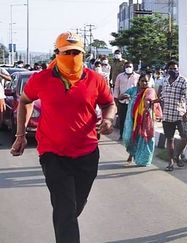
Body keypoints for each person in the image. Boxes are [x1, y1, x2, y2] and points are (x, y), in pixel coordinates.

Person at [9, 31, 116, 242]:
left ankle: (64, 220)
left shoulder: (95, 79)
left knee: (73, 206)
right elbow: (25, 101)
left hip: (87, 153)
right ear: (57, 53)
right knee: (65, 209)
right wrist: (20, 135)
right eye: (67, 52)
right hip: (53, 154)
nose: (72, 56)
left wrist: (109, 120)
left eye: (77, 52)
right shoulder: (41, 79)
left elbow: (108, 103)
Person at [121, 73, 162, 166]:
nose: (144, 83)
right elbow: (121, 96)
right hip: (131, 118)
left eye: (146, 81)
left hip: (145, 118)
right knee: (128, 138)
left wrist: (148, 103)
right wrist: (125, 96)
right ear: (139, 81)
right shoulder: (133, 90)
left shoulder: (150, 91)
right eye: (142, 81)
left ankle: (142, 159)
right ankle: (132, 153)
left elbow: (149, 100)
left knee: (143, 138)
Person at [160, 59, 187, 171]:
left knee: (185, 137)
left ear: (178, 69)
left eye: (175, 68)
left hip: (180, 114)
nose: (173, 70)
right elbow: (162, 96)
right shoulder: (164, 81)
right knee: (169, 139)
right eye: (171, 68)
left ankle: (177, 155)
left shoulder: (183, 81)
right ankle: (171, 162)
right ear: (167, 70)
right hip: (167, 115)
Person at [113, 62, 139, 140]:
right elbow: (116, 88)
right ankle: (122, 135)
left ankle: (131, 136)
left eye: (130, 66)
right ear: (124, 67)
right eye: (127, 66)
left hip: (132, 101)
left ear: (133, 67)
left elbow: (138, 89)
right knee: (122, 119)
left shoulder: (137, 77)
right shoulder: (120, 76)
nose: (128, 68)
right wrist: (116, 98)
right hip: (122, 101)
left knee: (132, 119)